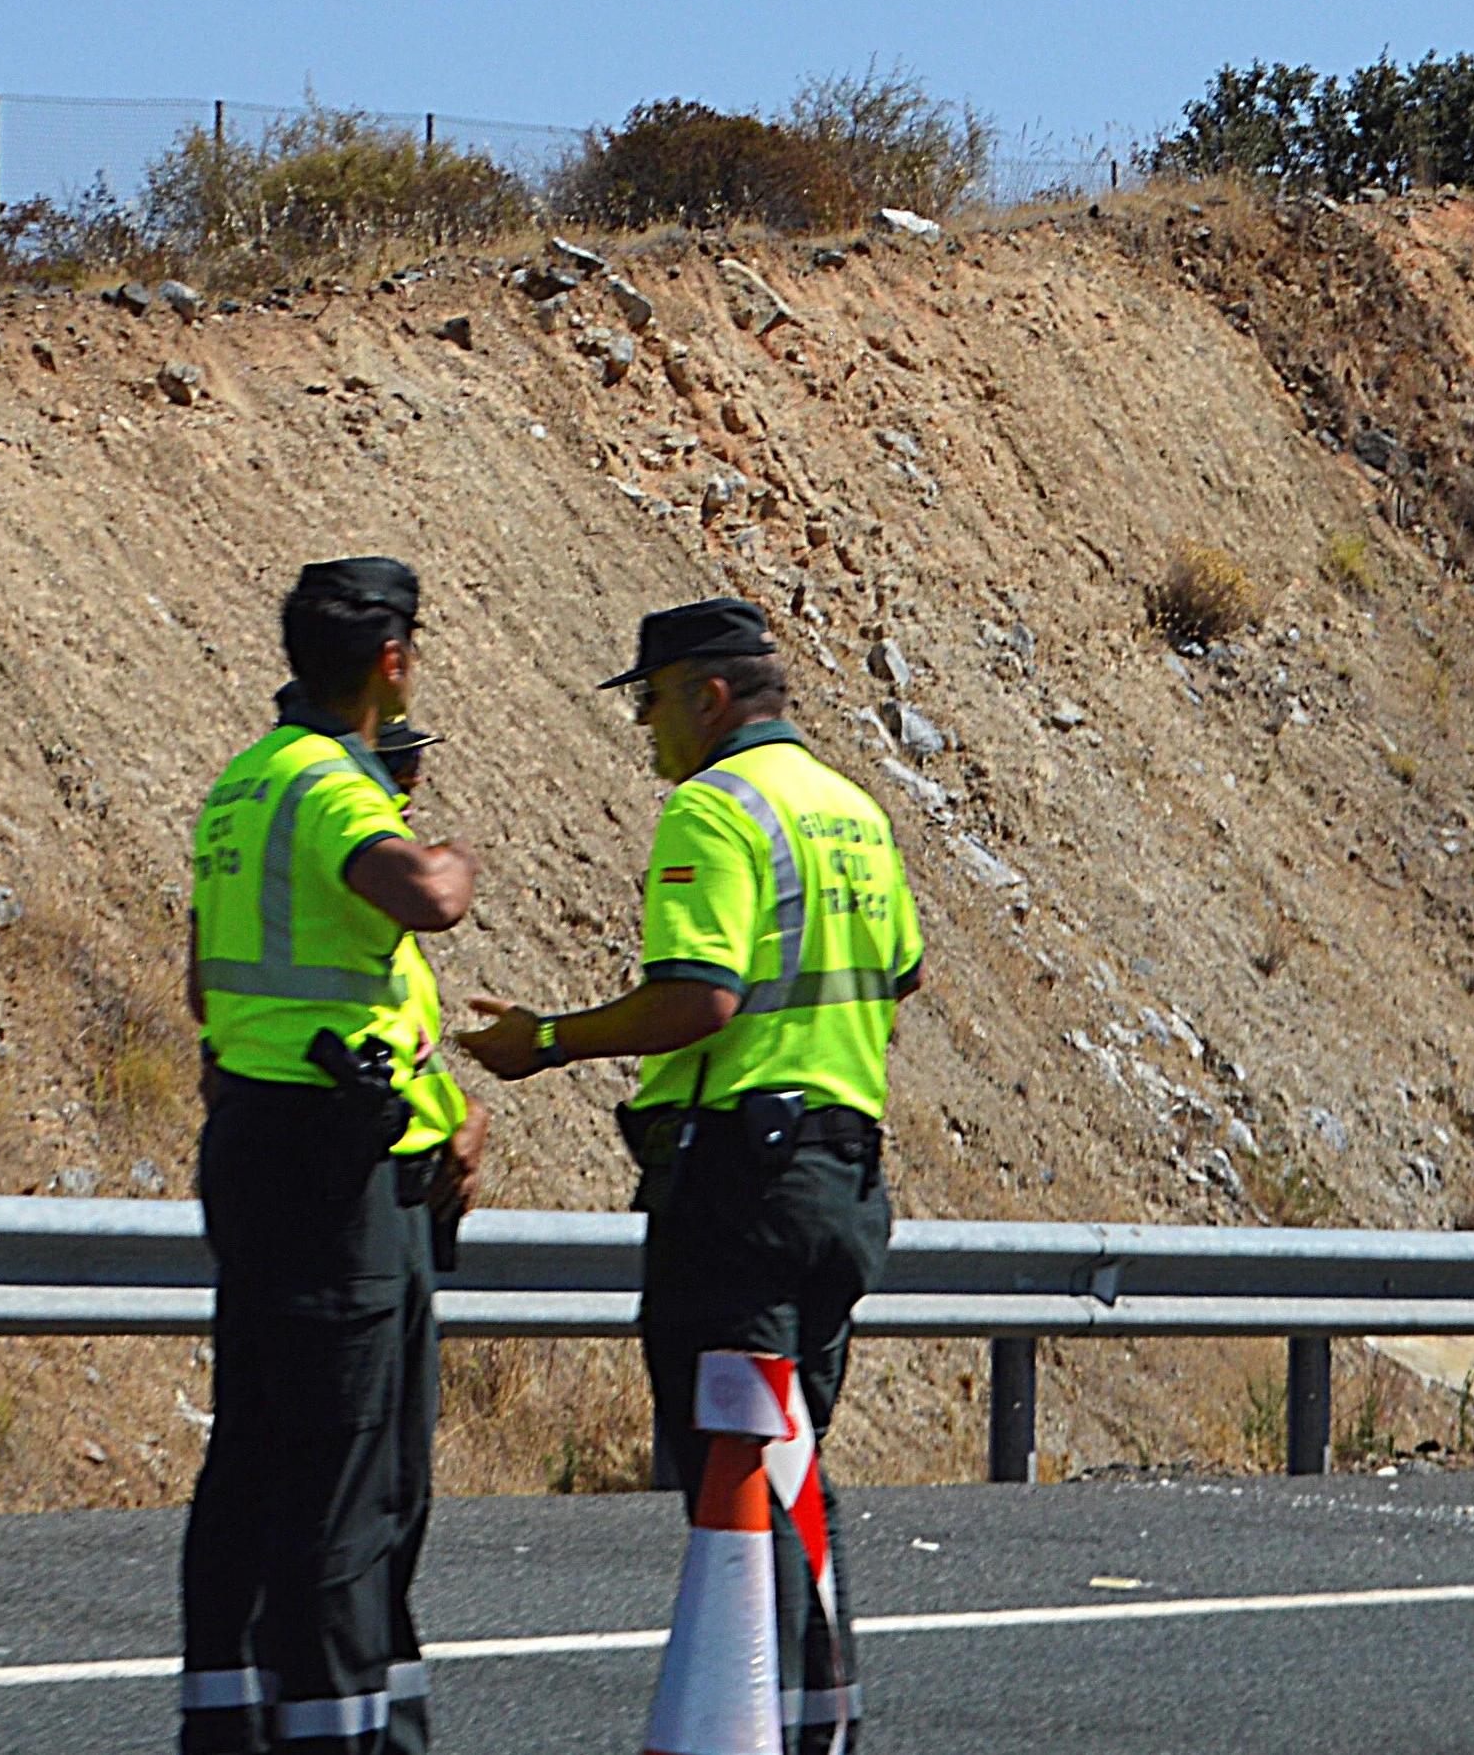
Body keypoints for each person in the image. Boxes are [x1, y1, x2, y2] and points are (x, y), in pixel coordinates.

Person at [458, 597, 920, 1753]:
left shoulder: (714, 808)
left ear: (709, 696)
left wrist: (546, 1039)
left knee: (738, 1467)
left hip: (742, 1186)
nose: (647, 728)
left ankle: (756, 1722)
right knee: (785, 1463)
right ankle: (812, 1721)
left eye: (654, 699)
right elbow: (902, 970)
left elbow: (699, 996)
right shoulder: (853, 811)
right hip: (841, 1174)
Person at [181, 557, 483, 1755]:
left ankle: (231, 1728)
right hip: (334, 1170)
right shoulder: (328, 785)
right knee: (351, 1486)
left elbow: (210, 982)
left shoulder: (240, 786)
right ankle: (350, 1739)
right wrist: (450, 854)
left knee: (254, 1460)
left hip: (259, 1144)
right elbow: (423, 896)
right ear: (393, 661)